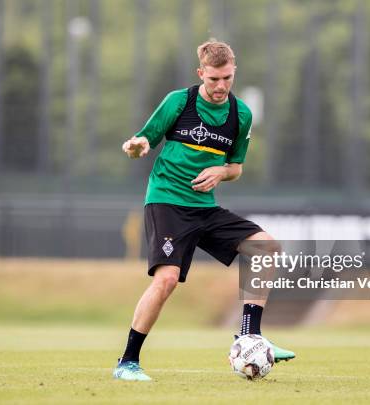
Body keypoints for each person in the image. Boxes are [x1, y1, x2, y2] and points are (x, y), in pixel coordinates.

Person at [113, 39, 295, 381]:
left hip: (204, 208)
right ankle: (127, 362)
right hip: (167, 200)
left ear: (234, 72)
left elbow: (236, 167)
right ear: (201, 74)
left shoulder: (241, 114)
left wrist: (221, 171)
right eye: (214, 79)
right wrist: (136, 146)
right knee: (166, 280)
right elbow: (145, 139)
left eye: (227, 78)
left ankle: (249, 336)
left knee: (265, 247)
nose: (221, 86)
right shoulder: (179, 102)